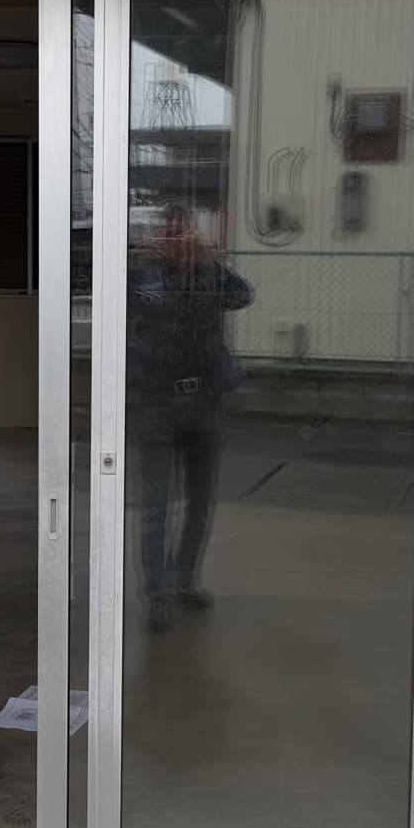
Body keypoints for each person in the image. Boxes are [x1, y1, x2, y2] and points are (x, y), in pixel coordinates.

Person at [128, 204, 254, 633]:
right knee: (156, 504)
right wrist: (142, 259)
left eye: (183, 234)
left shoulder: (209, 274)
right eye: (169, 234)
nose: (176, 241)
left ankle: (185, 580)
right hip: (158, 403)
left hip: (205, 401)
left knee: (200, 501)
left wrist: (209, 261)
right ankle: (158, 593)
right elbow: (122, 304)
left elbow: (243, 295)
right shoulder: (143, 276)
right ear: (158, 236)